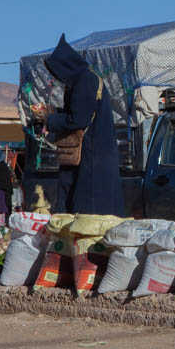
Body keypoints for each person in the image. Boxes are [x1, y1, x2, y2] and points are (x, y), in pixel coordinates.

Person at [41, 35, 125, 216]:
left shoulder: (84, 81)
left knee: (86, 213)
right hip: (92, 156)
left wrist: (49, 119)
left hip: (90, 158)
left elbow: (78, 120)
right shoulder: (85, 79)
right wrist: (54, 113)